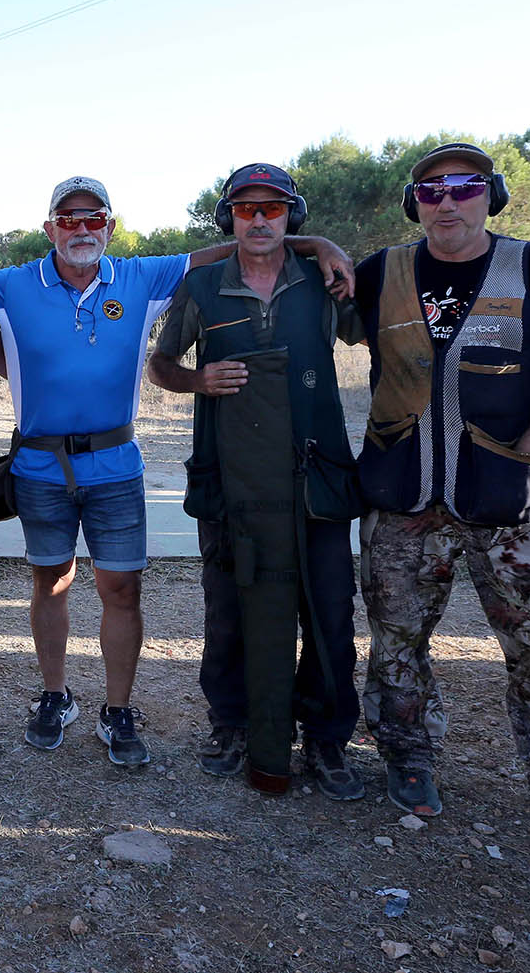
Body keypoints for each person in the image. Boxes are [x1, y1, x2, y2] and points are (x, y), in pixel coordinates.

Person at [0, 175, 349, 764]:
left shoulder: (142, 277)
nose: (82, 229)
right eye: (69, 220)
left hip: (115, 464)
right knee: (50, 582)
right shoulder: (10, 285)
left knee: (121, 587)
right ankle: (55, 695)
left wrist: (316, 245)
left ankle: (118, 710)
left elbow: (234, 248)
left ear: (110, 227)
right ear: (49, 230)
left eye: (94, 219)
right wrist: (5, 363)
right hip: (39, 466)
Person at [352, 142, 530, 846]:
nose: (448, 201)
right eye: (431, 190)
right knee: (395, 645)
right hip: (404, 499)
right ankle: (409, 759)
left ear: (492, 194)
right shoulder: (379, 272)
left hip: (514, 505)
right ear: (414, 204)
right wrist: (312, 239)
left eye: (465, 186)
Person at [146, 164, 365, 800]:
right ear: (230, 220)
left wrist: (327, 250)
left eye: (273, 208)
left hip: (316, 476)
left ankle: (325, 737)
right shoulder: (205, 286)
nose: (260, 219)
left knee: (328, 609)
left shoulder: (323, 281)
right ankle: (233, 725)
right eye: (246, 210)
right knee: (230, 607)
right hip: (231, 479)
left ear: (290, 216)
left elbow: (370, 331)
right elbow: (161, 364)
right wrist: (198, 381)